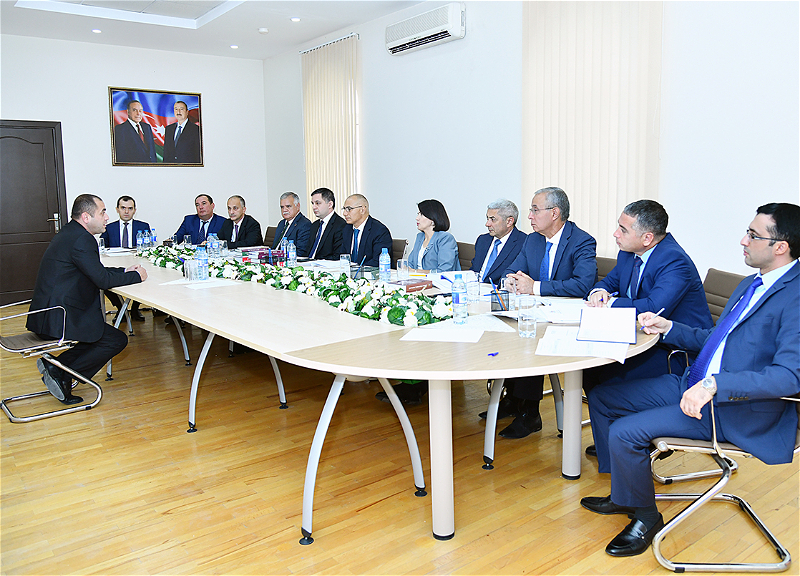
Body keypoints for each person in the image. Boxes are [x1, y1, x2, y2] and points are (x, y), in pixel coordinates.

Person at [580, 203, 800, 558]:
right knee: (604, 398)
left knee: (625, 431)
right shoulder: (752, 283)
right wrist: (669, 327)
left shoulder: (795, 297)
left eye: (753, 235)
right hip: (694, 382)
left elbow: (789, 377)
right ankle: (624, 493)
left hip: (735, 407)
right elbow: (717, 339)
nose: (743, 240)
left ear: (781, 247)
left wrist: (715, 386)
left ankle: (646, 517)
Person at [581, 199, 713, 456]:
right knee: (589, 369)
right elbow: (609, 282)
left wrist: (610, 304)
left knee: (609, 374)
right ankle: (613, 443)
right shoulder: (629, 253)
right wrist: (599, 292)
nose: (615, 234)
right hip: (642, 337)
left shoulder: (674, 261)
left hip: (675, 350)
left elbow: (654, 307)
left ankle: (632, 441)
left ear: (647, 238)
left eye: (623, 229)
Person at [493, 187, 598, 439]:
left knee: (531, 342)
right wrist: (511, 280)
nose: (529, 216)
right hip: (537, 313)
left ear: (554, 213)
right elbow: (511, 270)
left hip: (566, 320)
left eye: (534, 210)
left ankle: (530, 413)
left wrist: (535, 287)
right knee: (508, 333)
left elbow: (583, 285)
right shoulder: (533, 240)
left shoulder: (581, 241)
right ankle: (512, 399)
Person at [26, 194, 147, 404]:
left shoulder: (72, 232)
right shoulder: (82, 239)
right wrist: (137, 276)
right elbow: (101, 279)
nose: (107, 217)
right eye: (102, 212)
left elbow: (93, 270)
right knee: (114, 339)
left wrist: (124, 270)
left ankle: (57, 368)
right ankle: (63, 374)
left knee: (101, 336)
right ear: (86, 217)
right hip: (59, 317)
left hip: (49, 313)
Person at [99, 195, 150, 320]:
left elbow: (148, 247)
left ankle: (135, 309)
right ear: (117, 209)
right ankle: (121, 308)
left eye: (130, 208)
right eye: (123, 208)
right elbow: (102, 247)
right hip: (116, 263)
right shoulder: (109, 228)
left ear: (135, 210)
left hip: (136, 261)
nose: (126, 211)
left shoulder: (143, 227)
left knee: (144, 275)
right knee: (104, 279)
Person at [470, 199, 526, 285]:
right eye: (487, 218)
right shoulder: (482, 240)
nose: (487, 224)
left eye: (493, 219)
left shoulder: (524, 243)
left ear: (509, 222)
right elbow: (474, 270)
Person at [407, 199, 460, 272]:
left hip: (437, 279)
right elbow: (410, 263)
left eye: (421, 214)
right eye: (418, 214)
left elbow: (444, 270)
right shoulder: (420, 237)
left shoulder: (445, 238)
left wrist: (417, 272)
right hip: (416, 278)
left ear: (432, 218)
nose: (417, 218)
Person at [340, 194, 392, 267]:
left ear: (362, 210)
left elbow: (377, 262)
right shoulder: (347, 229)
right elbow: (343, 256)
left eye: (349, 209)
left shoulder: (379, 231)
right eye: (344, 209)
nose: (344, 213)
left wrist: (356, 269)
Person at [306, 187, 346, 260]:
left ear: (330, 204)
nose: (314, 207)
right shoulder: (314, 225)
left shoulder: (340, 225)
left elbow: (337, 256)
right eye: (313, 203)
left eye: (318, 203)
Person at [271, 192, 312, 257]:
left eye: (288, 206)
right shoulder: (281, 223)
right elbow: (274, 247)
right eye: (282, 207)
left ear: (297, 206)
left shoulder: (304, 224)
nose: (284, 210)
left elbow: (301, 252)